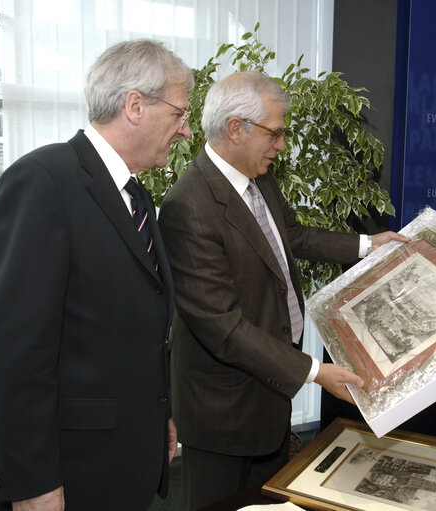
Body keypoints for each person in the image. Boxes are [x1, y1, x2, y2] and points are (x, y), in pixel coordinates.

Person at [157, 71, 409, 510]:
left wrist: (369, 245)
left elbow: (291, 235)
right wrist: (314, 372)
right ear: (237, 128)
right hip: (223, 410)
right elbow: (225, 328)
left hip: (269, 393)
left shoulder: (257, 176)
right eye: (275, 132)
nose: (283, 145)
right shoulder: (188, 207)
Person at [0, 39, 193, 510]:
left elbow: (136, 325)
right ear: (134, 105)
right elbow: (16, 354)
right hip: (72, 470)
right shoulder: (42, 181)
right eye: (179, 114)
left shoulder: (134, 196)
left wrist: (161, 415)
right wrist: (33, 485)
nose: (185, 131)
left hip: (128, 455)